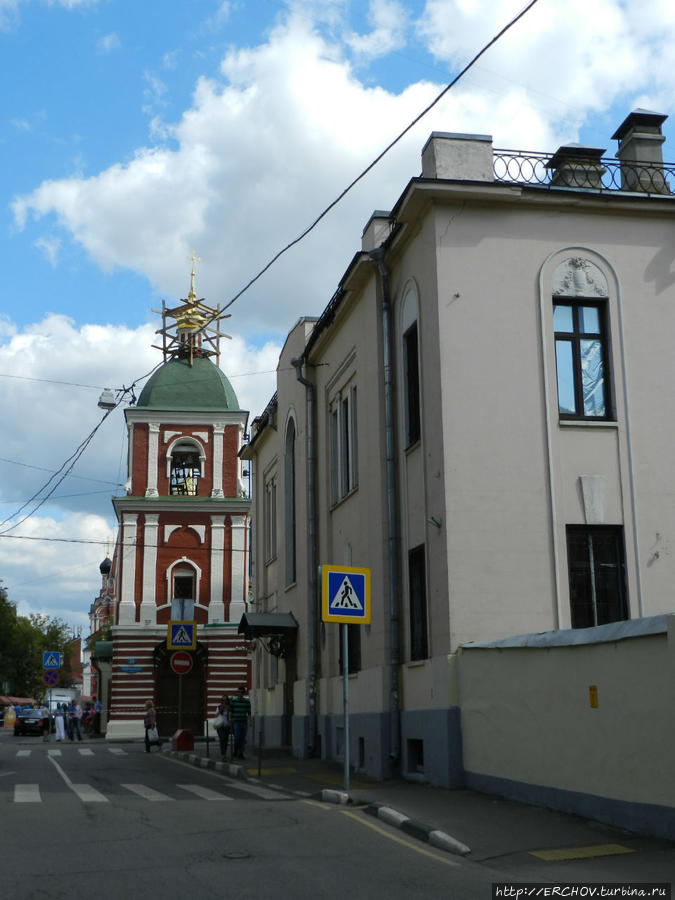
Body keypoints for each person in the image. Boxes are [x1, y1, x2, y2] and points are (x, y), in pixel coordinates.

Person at [229, 685, 251, 760]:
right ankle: (235, 751)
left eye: (241, 692)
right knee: (237, 737)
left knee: (243, 738)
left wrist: (249, 721)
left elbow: (249, 712)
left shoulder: (246, 701)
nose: (239, 693)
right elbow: (230, 711)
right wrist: (230, 720)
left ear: (243, 693)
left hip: (243, 721)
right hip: (236, 722)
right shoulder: (233, 701)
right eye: (238, 692)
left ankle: (241, 753)